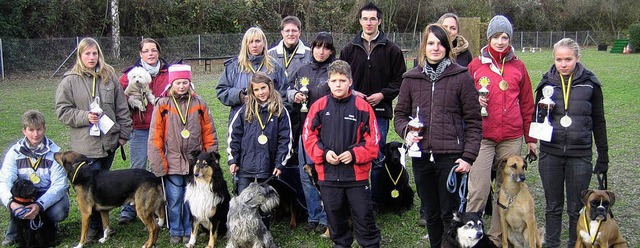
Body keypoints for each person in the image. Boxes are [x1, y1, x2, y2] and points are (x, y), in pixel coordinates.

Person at [394, 24, 482, 247]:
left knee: (449, 214)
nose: (435, 48)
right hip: (422, 158)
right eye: (431, 43)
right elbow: (400, 115)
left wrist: (469, 156)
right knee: (431, 213)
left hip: (451, 158)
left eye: (440, 43)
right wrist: (407, 132)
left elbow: (473, 121)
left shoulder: (461, 77)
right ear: (424, 46)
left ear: (447, 46)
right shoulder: (411, 78)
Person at [465, 15, 537, 246]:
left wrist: (531, 138)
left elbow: (527, 104)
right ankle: (471, 236)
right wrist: (476, 102)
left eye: (505, 37)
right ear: (489, 38)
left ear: (510, 39)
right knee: (478, 188)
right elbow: (463, 100)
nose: (500, 41)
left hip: (511, 137)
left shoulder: (518, 66)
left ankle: (496, 238)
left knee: (506, 190)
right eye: (496, 36)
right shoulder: (475, 65)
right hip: (483, 136)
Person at [534, 38, 609, 248]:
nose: (563, 64)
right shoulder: (545, 83)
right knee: (552, 207)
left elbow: (599, 121)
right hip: (551, 154)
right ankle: (552, 244)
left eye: (568, 59)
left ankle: (574, 244)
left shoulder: (591, 84)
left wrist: (603, 154)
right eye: (559, 59)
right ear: (554, 59)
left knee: (576, 207)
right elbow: (536, 119)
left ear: (577, 58)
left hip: (580, 155)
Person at [55, 37, 132, 239]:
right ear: (80, 55)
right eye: (87, 53)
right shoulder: (70, 80)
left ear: (99, 54)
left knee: (102, 185)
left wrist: (123, 135)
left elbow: (121, 107)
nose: (91, 57)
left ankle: (104, 227)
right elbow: (62, 111)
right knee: (89, 188)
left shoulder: (109, 76)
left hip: (108, 143)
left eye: (94, 53)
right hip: (84, 148)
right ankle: (92, 228)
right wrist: (84, 117)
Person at [303, 60, 381, 248]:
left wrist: (354, 154)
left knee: (364, 219)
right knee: (336, 223)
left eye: (342, 80)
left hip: (356, 177)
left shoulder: (363, 107)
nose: (338, 84)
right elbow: (308, 136)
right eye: (334, 80)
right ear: (328, 82)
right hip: (328, 176)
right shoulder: (319, 107)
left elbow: (374, 141)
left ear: (350, 82)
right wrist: (324, 153)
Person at [338, 2, 407, 213]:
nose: (369, 22)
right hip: (352, 112)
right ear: (359, 21)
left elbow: (400, 81)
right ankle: (353, 202)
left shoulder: (392, 50)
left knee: (376, 158)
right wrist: (353, 92)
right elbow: (340, 78)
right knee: (352, 157)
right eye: (365, 18)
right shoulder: (348, 50)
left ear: (379, 21)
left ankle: (376, 203)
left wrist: (383, 94)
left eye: (373, 19)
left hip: (379, 114)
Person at [148, 64, 218, 244]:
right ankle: (175, 230)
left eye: (185, 82)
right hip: (171, 161)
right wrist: (158, 162)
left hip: (195, 164)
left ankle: (189, 230)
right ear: (171, 84)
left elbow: (209, 132)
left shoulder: (199, 103)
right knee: (174, 199)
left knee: (191, 200)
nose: (181, 86)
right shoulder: (163, 104)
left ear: (190, 83)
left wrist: (211, 158)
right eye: (178, 83)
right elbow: (156, 135)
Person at [227, 72, 292, 228]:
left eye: (263, 88)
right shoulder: (244, 110)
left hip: (267, 166)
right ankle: (242, 235)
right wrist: (232, 160)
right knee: (243, 203)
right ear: (252, 91)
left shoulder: (280, 111)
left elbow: (286, 140)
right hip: (245, 166)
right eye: (256, 90)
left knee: (264, 205)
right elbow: (233, 136)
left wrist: (279, 163)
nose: (261, 92)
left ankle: (263, 235)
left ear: (270, 87)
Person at [117, 38, 170, 225]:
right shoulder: (129, 75)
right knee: (137, 168)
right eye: (146, 51)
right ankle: (129, 208)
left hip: (163, 128)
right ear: (140, 54)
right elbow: (118, 98)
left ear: (158, 52)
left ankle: (161, 208)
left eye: (153, 50)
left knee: (160, 168)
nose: (150, 54)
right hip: (139, 128)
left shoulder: (167, 72)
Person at [286, 32, 335, 235]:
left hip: (328, 132)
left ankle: (326, 217)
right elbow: (286, 90)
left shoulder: (335, 70)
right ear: (312, 48)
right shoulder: (302, 70)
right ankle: (313, 215)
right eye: (317, 46)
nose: (321, 51)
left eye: (325, 48)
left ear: (331, 51)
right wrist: (294, 95)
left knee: (323, 175)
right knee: (306, 175)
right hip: (305, 131)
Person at [0, 110, 70, 247]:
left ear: (44, 129)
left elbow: (59, 185)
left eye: (39, 129)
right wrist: (12, 204)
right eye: (31, 130)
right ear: (24, 131)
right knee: (7, 197)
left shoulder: (54, 153)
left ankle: (48, 226)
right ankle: (13, 231)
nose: (35, 134)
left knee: (59, 211)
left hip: (45, 193)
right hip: (24, 195)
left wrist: (39, 205)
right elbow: (4, 181)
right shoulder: (14, 153)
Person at [216, 27, 288, 121]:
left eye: (258, 41)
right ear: (245, 44)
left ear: (264, 43)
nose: (254, 45)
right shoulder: (234, 67)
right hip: (242, 121)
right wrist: (240, 96)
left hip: (269, 121)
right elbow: (221, 91)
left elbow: (284, 94)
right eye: (250, 42)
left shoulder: (275, 67)